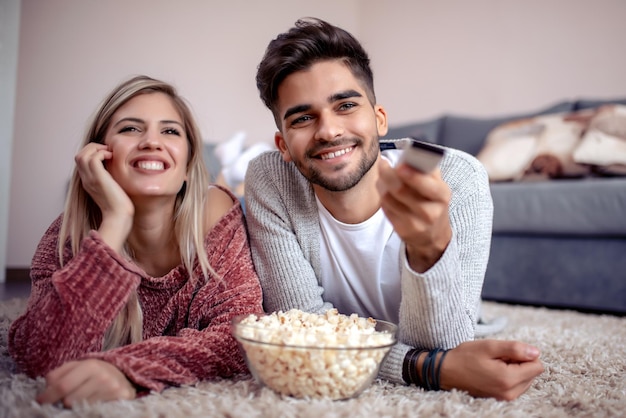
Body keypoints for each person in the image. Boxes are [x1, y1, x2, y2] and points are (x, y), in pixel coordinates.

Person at [244, 17, 544, 400]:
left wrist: (429, 248)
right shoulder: (271, 179)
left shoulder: (456, 176)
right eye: (302, 118)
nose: (328, 131)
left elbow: (446, 342)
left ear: (379, 118)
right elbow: (303, 332)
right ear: (283, 144)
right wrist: (427, 368)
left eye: (346, 105)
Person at [8, 75, 264, 407]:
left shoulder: (216, 215)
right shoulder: (69, 235)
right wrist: (115, 220)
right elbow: (42, 356)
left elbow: (239, 337)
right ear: (99, 155)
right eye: (131, 129)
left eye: (170, 131)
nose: (151, 142)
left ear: (187, 165)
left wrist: (128, 369)